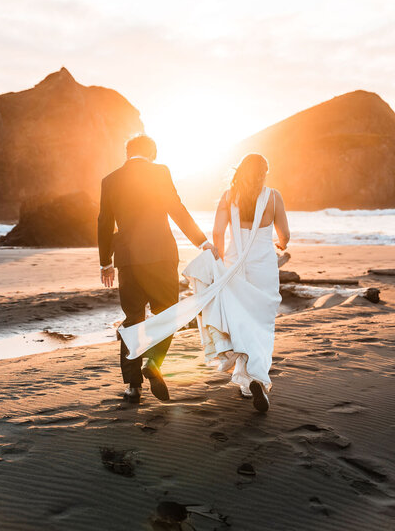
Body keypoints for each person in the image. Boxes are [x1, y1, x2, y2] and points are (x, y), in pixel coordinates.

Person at [118, 152, 290, 412]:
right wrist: (281, 244)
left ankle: (247, 380)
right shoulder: (274, 197)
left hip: (232, 266)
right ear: (264, 173)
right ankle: (254, 380)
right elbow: (285, 235)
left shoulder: (229, 197)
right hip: (263, 267)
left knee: (239, 321)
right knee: (261, 325)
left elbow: (218, 233)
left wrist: (217, 261)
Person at [97, 134, 217, 404]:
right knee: (169, 311)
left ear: (128, 153)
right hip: (161, 255)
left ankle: (133, 388)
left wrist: (106, 262)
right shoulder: (160, 172)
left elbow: (104, 222)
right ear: (152, 153)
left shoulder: (110, 180)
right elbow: (176, 208)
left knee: (132, 319)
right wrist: (202, 241)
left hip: (127, 259)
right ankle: (154, 361)